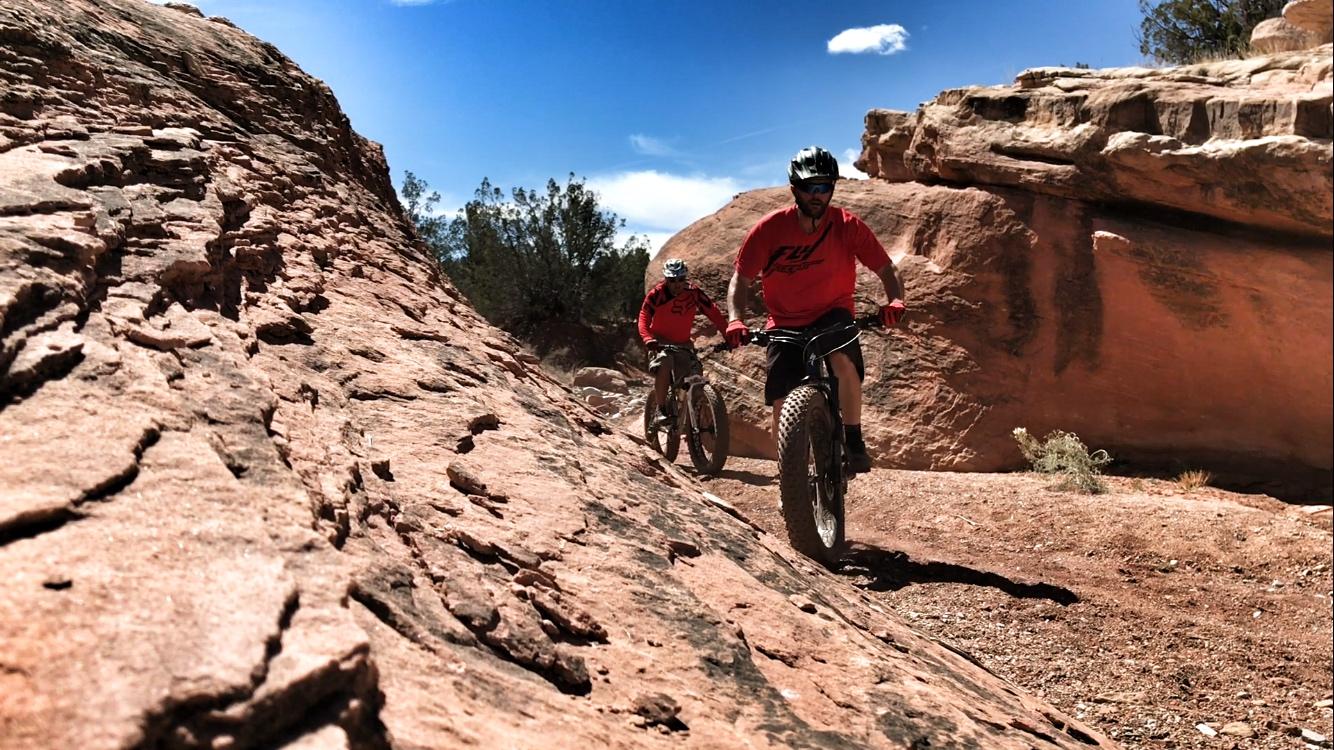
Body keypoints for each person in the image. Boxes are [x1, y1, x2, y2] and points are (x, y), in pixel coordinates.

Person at [724, 146, 906, 473]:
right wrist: (735, 320)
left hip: (832, 312)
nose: (818, 195)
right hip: (784, 321)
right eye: (810, 187)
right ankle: (790, 475)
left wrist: (894, 300)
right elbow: (741, 279)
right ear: (795, 188)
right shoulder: (769, 229)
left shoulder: (847, 225)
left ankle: (853, 438)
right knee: (782, 396)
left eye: (825, 187)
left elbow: (885, 269)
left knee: (841, 361)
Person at [639, 258, 729, 425]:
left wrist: (728, 333)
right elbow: (643, 318)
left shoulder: (693, 292)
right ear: (666, 279)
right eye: (672, 280)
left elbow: (713, 312)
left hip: (683, 343)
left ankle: (690, 417)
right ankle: (660, 408)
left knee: (695, 374)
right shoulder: (657, 294)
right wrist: (648, 339)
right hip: (659, 342)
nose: (677, 284)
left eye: (680, 279)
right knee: (665, 361)